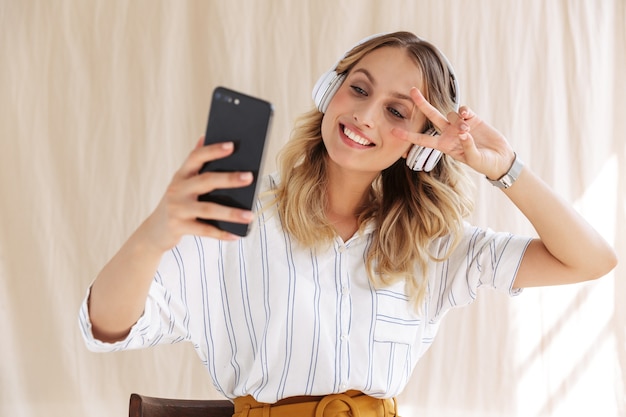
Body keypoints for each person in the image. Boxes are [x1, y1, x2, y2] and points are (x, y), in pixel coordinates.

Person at [79, 31, 617, 417]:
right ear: (326, 93)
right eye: (359, 89)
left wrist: (505, 169)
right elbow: (104, 326)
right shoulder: (236, 219)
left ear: (423, 144)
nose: (366, 116)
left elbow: (591, 260)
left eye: (398, 112)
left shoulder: (434, 246)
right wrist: (156, 233)